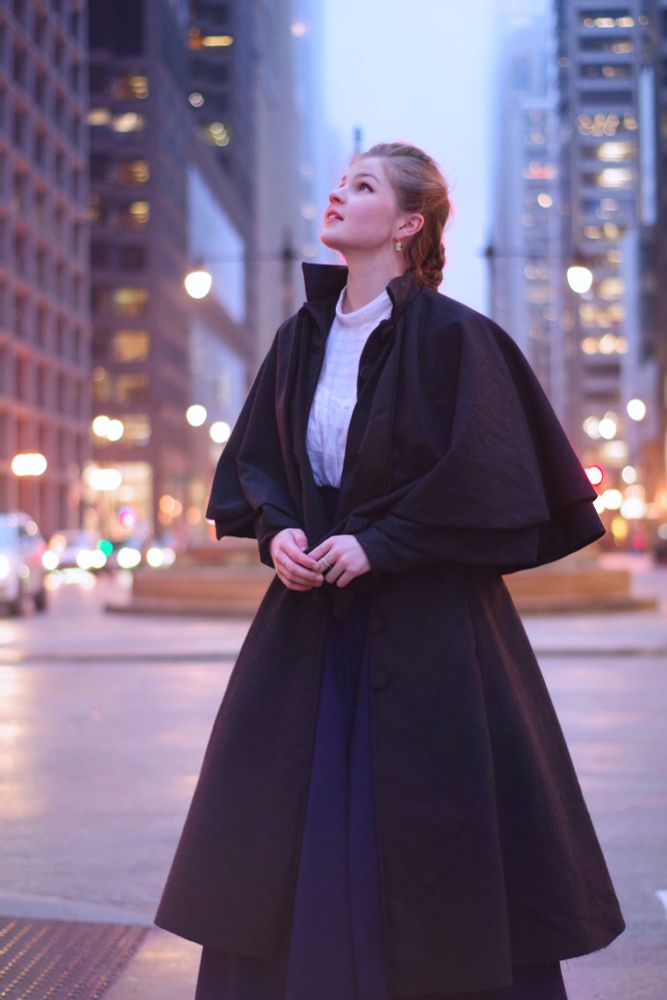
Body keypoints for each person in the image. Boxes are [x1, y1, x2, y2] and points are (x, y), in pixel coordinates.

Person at [155, 142, 625, 999]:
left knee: (433, 844)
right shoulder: (299, 340)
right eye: (337, 182)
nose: (337, 194)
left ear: (408, 223)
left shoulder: (459, 340)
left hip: (432, 642)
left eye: (362, 186)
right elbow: (258, 464)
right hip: (306, 637)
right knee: (280, 835)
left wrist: (382, 544)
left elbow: (489, 477)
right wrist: (283, 534)